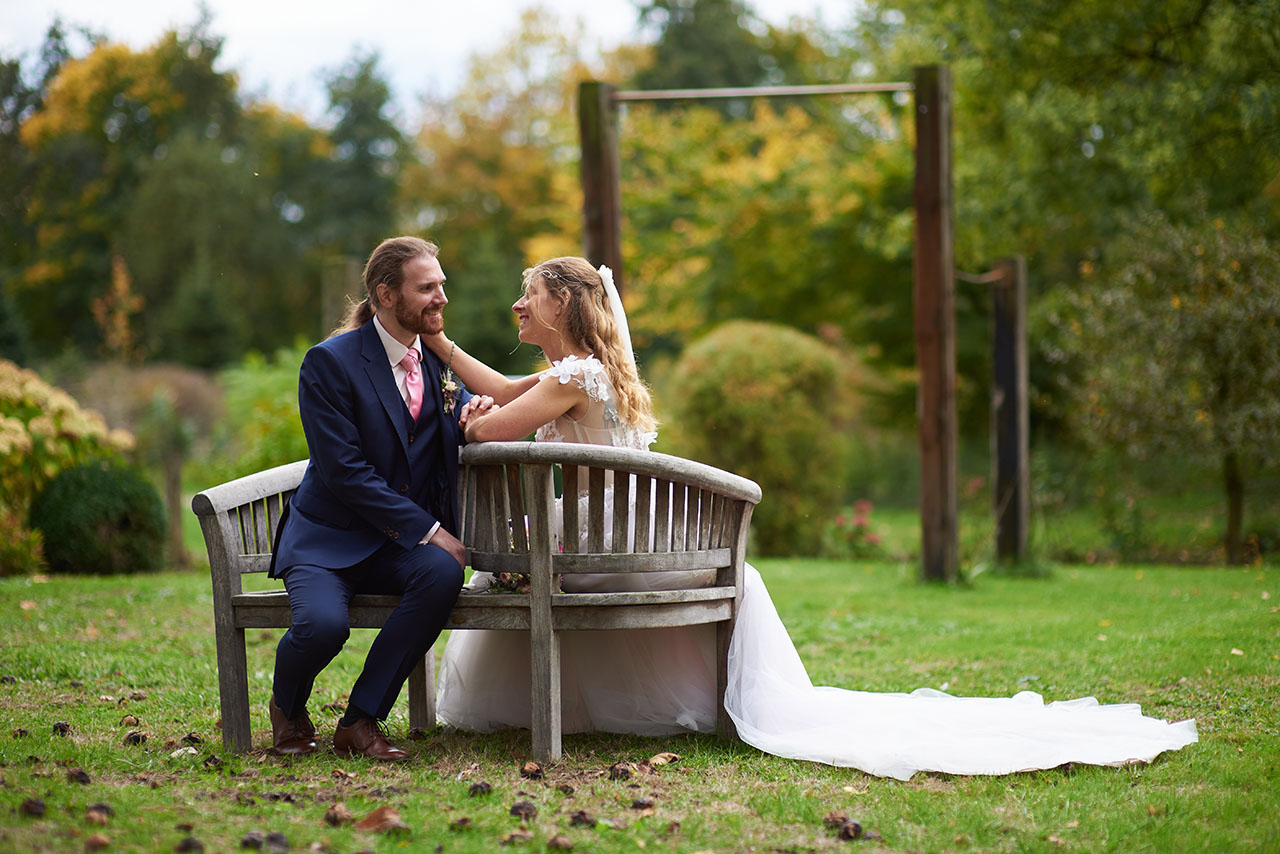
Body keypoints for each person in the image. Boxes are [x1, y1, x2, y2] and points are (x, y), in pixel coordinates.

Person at [427, 256, 1198, 779]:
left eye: (530, 293)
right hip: (646, 542)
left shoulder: (571, 375)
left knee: (522, 542)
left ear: (561, 302)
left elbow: (495, 424)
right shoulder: (583, 372)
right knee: (539, 530)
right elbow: (504, 387)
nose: (519, 305)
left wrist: (467, 415)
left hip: (596, 546)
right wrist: (450, 350)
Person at [267, 236, 485, 762]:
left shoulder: (436, 363)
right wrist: (432, 532)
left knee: (439, 575)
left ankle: (361, 721)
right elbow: (345, 472)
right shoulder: (329, 363)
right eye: (427, 287)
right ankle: (287, 707)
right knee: (323, 628)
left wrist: (472, 418)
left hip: (392, 546)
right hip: (328, 539)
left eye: (441, 286)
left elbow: (431, 446)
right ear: (386, 295)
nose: (441, 298)